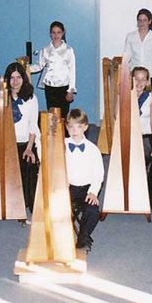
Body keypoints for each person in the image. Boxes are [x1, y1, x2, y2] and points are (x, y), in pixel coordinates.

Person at [65, 109, 104, 252]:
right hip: (66, 187)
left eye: (79, 127)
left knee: (93, 211)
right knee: (56, 208)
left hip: (86, 189)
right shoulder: (60, 145)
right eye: (71, 127)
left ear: (86, 127)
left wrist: (93, 192)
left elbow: (98, 175)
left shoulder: (93, 150)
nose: (75, 131)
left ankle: (83, 237)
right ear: (66, 127)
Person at [4, 62, 40, 213]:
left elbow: (33, 125)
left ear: (23, 79)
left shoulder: (31, 98)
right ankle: (2, 199)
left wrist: (29, 148)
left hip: (26, 142)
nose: (15, 81)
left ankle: (28, 201)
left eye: (19, 77)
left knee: (27, 163)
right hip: (7, 143)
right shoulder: (2, 97)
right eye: (12, 78)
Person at [31, 21, 76, 120]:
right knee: (52, 115)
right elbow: (39, 66)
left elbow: (72, 71)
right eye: (53, 32)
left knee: (63, 116)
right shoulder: (45, 50)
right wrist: (26, 68)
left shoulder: (68, 50)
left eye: (58, 32)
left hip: (63, 87)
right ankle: (53, 135)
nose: (56, 35)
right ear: (50, 34)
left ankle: (64, 135)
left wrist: (71, 90)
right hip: (50, 88)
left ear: (63, 33)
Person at [123, 8, 152, 93]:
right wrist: (126, 75)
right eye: (140, 20)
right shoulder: (130, 37)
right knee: (135, 103)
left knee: (151, 102)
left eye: (145, 20)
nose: (142, 23)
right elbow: (126, 58)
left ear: (149, 21)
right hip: (135, 77)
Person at [133, 66, 152, 167]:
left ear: (147, 82)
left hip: (145, 135)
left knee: (145, 158)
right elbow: (116, 116)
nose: (139, 83)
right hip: (129, 135)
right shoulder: (124, 94)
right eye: (136, 79)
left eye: (143, 79)